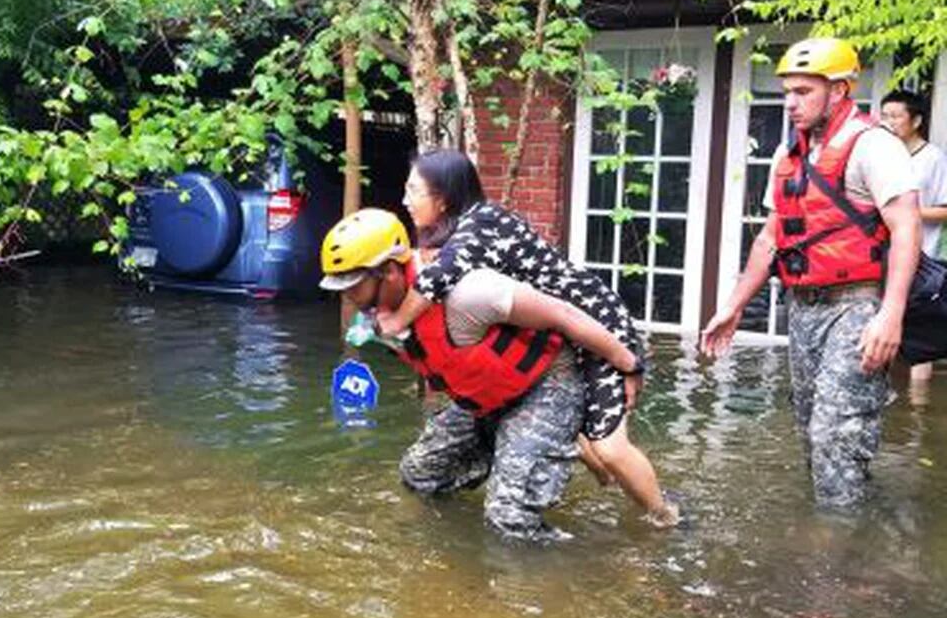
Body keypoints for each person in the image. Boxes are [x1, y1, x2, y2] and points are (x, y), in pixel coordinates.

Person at [373, 149, 679, 527]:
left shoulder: (479, 225)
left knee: (610, 447)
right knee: (590, 439)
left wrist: (631, 363)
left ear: (444, 196)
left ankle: (667, 518)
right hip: (567, 331)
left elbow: (434, 283)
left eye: (414, 190)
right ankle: (615, 485)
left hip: (597, 322)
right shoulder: (461, 230)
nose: (405, 200)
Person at [320, 209, 662, 539]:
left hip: (547, 386)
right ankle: (454, 549)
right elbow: (442, 365)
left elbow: (563, 314)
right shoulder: (383, 318)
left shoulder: (469, 292)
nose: (351, 301)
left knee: (507, 516)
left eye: (354, 289)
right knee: (419, 475)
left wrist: (630, 363)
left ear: (390, 272)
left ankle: (584, 563)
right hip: (488, 401)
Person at [702, 37, 921, 509]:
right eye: (786, 91)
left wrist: (891, 314)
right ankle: (848, 527)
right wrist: (733, 308)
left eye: (803, 91)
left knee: (836, 432)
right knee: (810, 433)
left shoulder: (873, 146)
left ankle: (839, 557)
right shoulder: (788, 158)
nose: (789, 102)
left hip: (858, 304)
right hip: (802, 309)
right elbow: (768, 239)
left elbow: (907, 226)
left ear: (840, 90)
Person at [879, 89, 947, 384]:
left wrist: (907, 213)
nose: (888, 122)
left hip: (922, 259)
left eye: (896, 116)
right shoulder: (879, 156)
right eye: (884, 116)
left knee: (918, 336)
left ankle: (917, 412)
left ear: (916, 120)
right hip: (882, 257)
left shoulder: (933, 159)